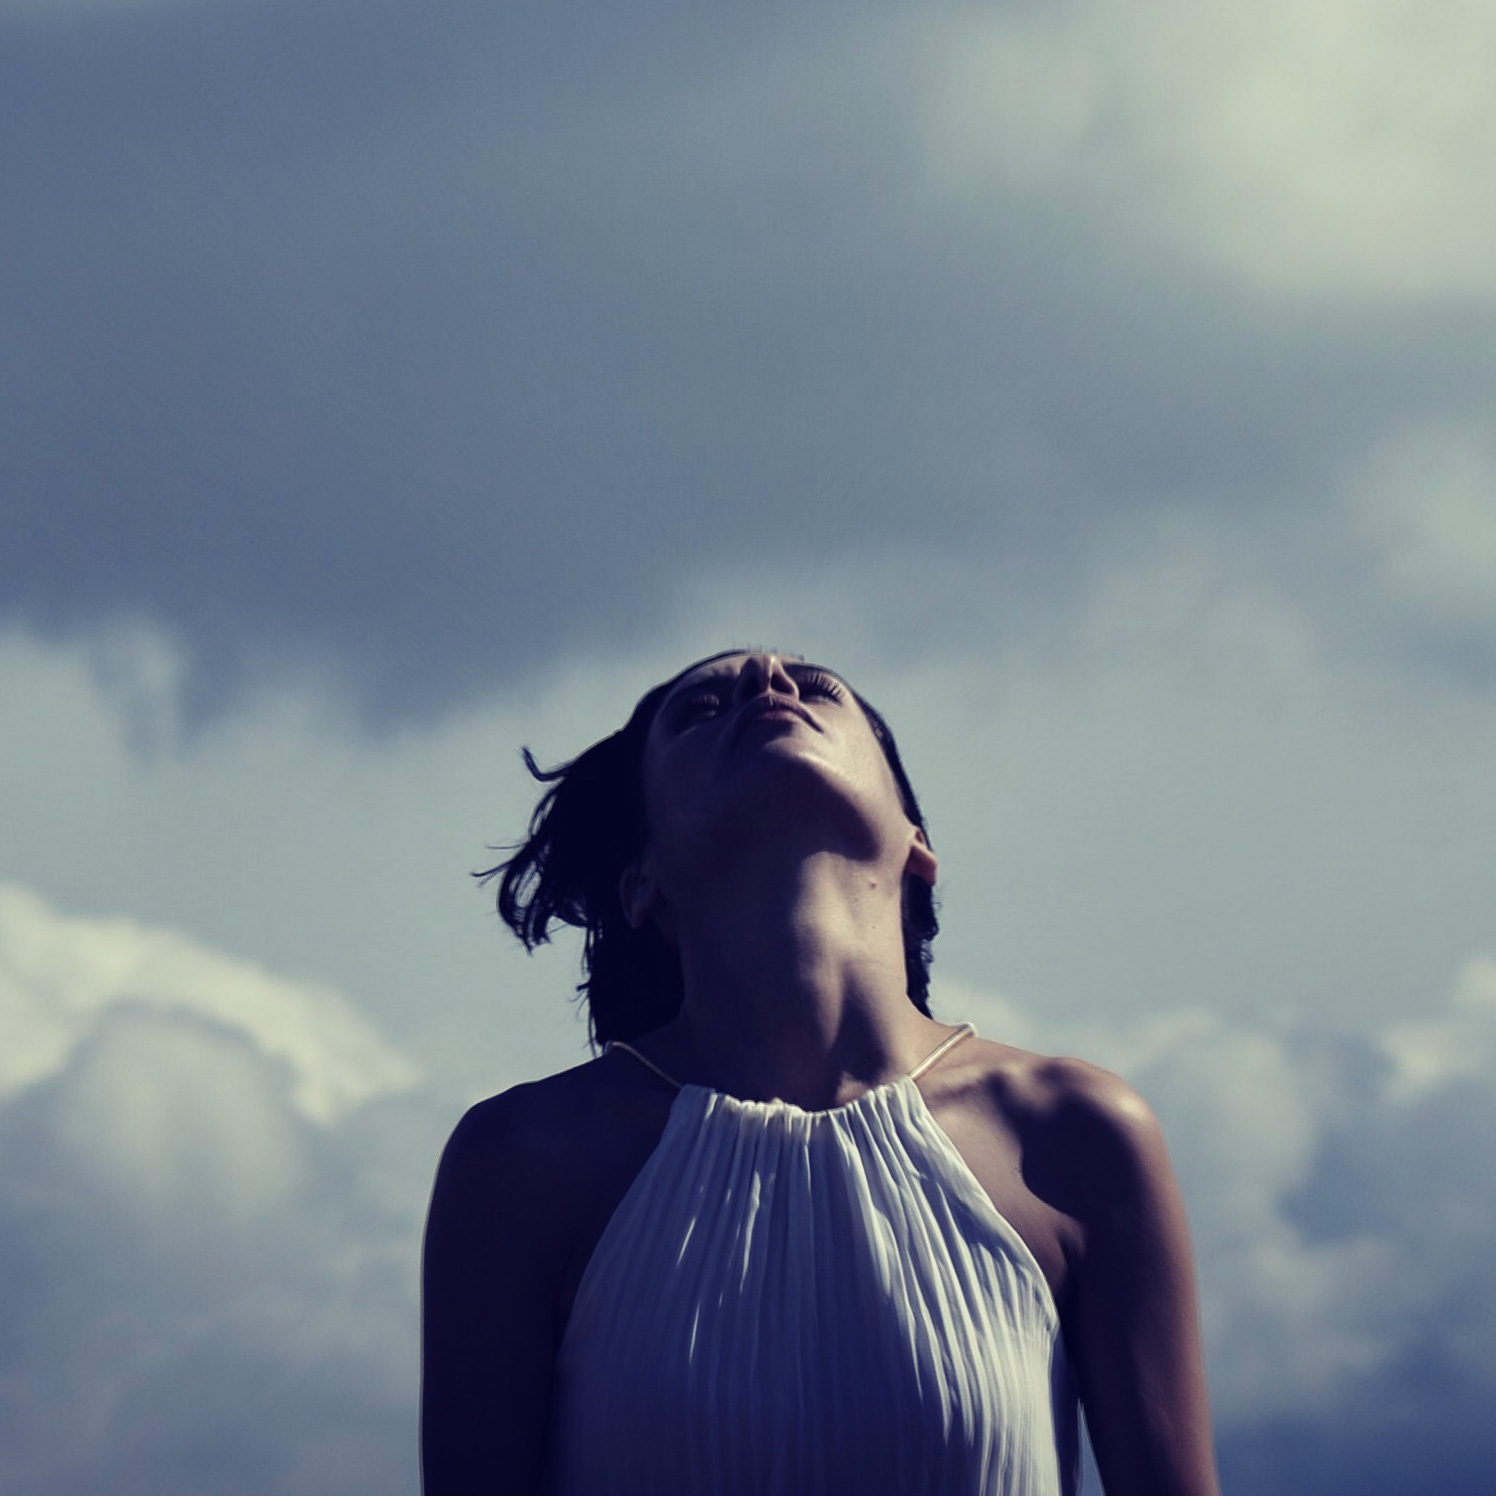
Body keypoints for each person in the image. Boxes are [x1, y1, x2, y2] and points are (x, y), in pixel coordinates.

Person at [421, 650, 1221, 1496]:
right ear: (641, 883)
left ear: (918, 844)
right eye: (703, 708)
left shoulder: (1075, 1135)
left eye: (817, 688)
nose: (768, 681)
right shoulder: (521, 1162)